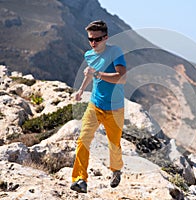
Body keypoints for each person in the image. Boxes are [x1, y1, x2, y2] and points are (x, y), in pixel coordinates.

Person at [70, 20, 126, 193]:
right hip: (95, 105)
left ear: (106, 37)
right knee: (83, 140)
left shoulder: (115, 51)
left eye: (97, 39)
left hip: (115, 109)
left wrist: (98, 74)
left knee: (114, 144)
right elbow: (90, 72)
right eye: (90, 39)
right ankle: (80, 179)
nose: (93, 43)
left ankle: (116, 170)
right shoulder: (89, 55)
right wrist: (80, 91)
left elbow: (122, 77)